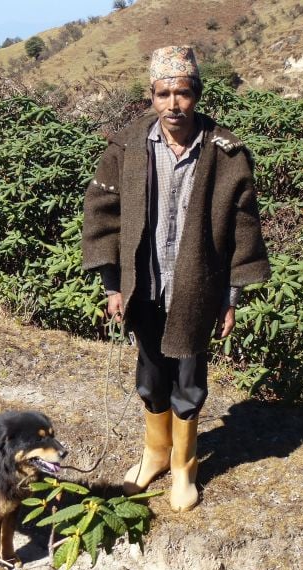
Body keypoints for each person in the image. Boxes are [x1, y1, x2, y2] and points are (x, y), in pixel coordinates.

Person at [81, 46, 270, 511]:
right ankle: (155, 455)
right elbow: (103, 215)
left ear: (196, 94)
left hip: (196, 287)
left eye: (182, 93)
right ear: (151, 96)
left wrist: (230, 295)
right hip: (143, 283)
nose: (173, 104)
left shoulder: (225, 154)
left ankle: (185, 466)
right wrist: (112, 283)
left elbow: (242, 227)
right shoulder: (126, 148)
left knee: (188, 376)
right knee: (150, 372)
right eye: (163, 94)